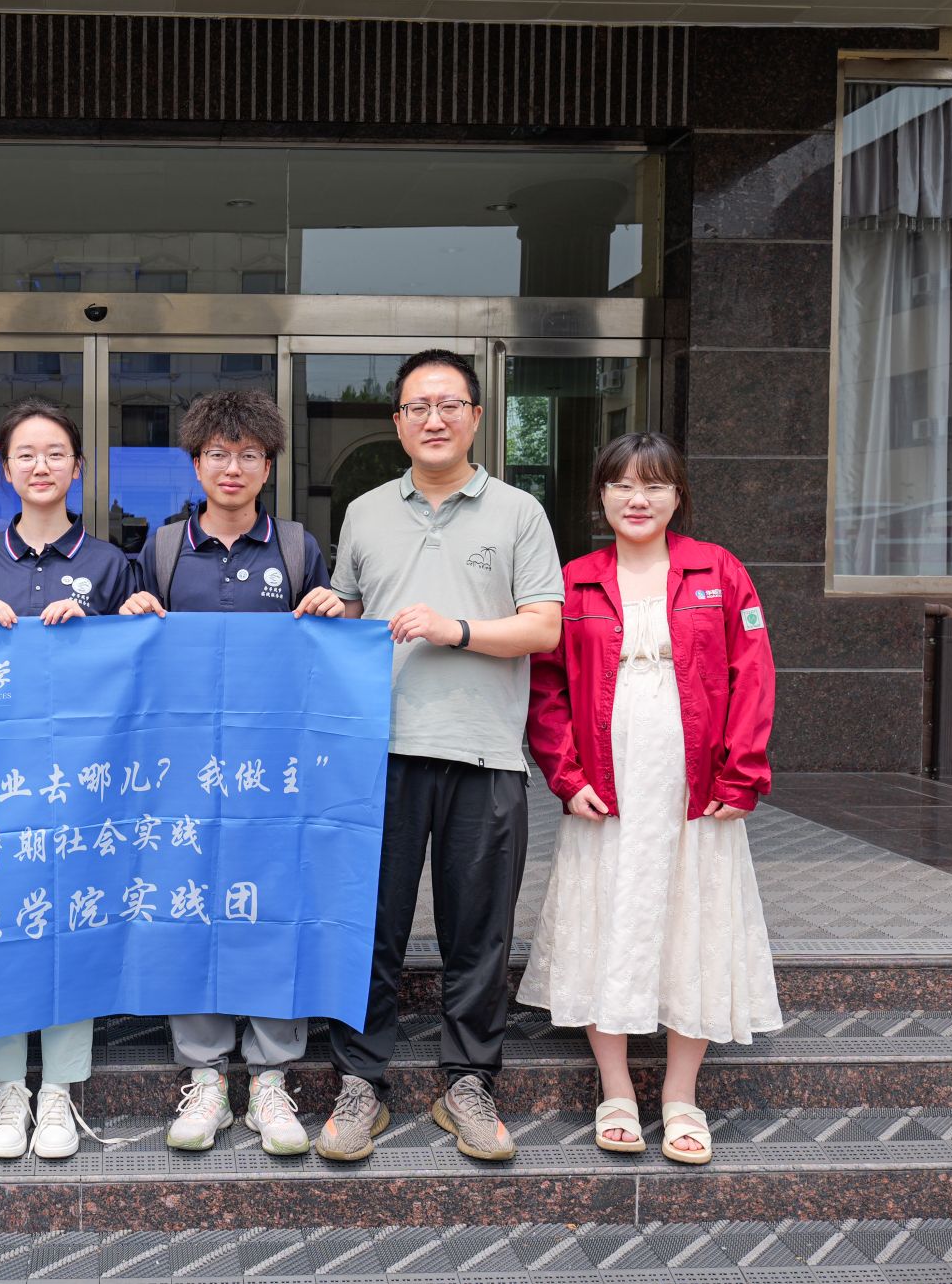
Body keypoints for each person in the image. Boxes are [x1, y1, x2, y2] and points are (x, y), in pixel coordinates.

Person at [295, 349, 563, 1164]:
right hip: (377, 752)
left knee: (478, 931)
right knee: (368, 926)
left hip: (484, 752)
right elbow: (354, 609)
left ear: (476, 417)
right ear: (398, 421)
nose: (434, 419)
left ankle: (468, 1083)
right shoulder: (367, 511)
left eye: (450, 404)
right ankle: (359, 1082)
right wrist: (334, 605)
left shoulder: (519, 512)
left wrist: (458, 630)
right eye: (418, 406)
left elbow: (545, 625)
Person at [520, 432, 781, 1167]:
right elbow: (546, 687)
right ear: (600, 496)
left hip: (696, 784)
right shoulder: (575, 582)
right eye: (623, 485)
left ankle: (680, 1095)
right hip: (607, 785)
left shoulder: (719, 570)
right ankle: (615, 1092)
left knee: (695, 917)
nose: (638, 499)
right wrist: (566, 775)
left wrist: (741, 774)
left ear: (678, 496)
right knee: (607, 915)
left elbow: (753, 672)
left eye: (655, 485)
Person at [118, 389, 331, 1158]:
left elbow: (326, 656)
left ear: (268, 465)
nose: (232, 467)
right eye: (218, 453)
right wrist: (131, 617)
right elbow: (135, 661)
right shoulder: (163, 549)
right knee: (190, 904)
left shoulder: (297, 549)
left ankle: (271, 1076)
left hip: (275, 773)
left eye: (248, 454)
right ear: (196, 462)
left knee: (273, 904)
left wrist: (333, 613)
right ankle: (205, 1074)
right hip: (185, 771)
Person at [0, 399, 135, 1160]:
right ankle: (8, 1087)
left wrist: (111, 624)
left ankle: (61, 1087)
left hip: (82, 778)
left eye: (55, 453)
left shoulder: (109, 563)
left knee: (71, 915)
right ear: (5, 470)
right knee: (1, 919)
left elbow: (137, 662)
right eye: (26, 454)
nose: (41, 466)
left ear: (78, 467)